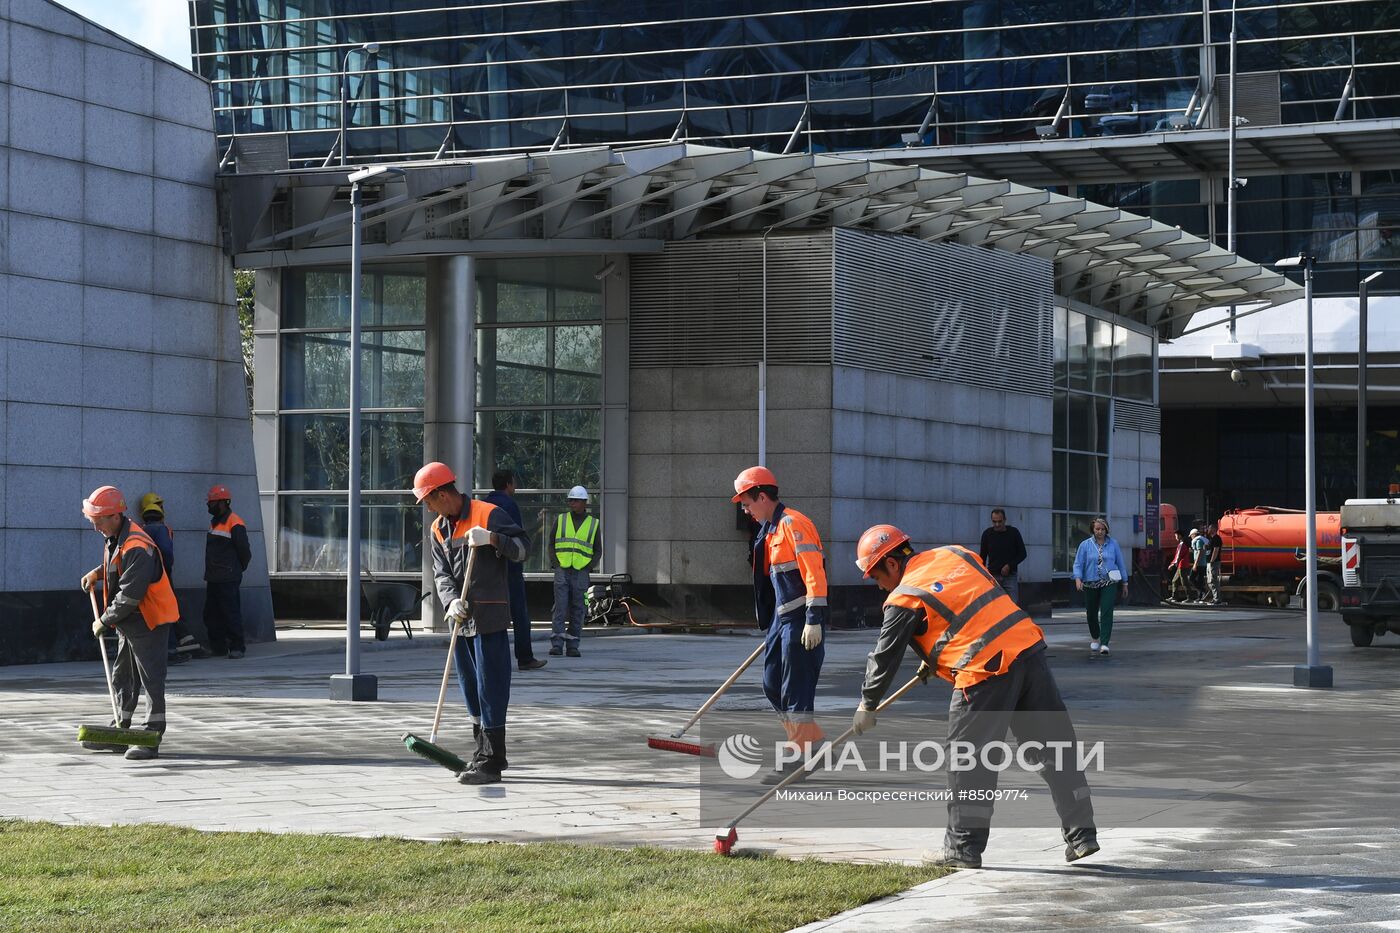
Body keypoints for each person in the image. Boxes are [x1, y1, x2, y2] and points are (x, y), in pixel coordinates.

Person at [851, 524, 1098, 869]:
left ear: (892, 564)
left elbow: (884, 657)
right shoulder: (956, 553)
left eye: (876, 576)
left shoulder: (903, 595)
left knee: (968, 763)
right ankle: (1082, 834)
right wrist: (934, 660)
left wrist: (868, 704)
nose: (878, 585)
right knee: (1055, 748)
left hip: (983, 672)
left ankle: (962, 848)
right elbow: (970, 605)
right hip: (1027, 651)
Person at [416, 460, 529, 785]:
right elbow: (441, 573)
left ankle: (493, 761)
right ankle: (481, 752)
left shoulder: (488, 513)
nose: (427, 507)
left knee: (491, 686)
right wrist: (451, 601)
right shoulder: (438, 528)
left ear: (441, 493)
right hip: (461, 619)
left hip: (489, 617)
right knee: (470, 688)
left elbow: (523, 550)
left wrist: (493, 539)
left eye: (427, 500)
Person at [733, 466, 828, 785]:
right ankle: (814, 744)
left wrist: (814, 620)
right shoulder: (769, 530)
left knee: (795, 690)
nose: (745, 510)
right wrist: (775, 625)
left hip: (802, 620)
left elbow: (814, 573)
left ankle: (797, 758)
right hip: (783, 619)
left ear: (762, 496)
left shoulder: (793, 524)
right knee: (772, 684)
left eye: (747, 503)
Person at [78, 486, 181, 760]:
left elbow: (130, 595)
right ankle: (121, 730)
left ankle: (151, 736)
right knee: (123, 676)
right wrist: (98, 573)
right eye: (93, 520)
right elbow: (119, 566)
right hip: (131, 622)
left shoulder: (138, 544)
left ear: (115, 516)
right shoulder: (117, 536)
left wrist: (103, 620)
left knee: (151, 680)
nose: (95, 526)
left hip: (149, 620)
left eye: (98, 520)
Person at [484, 470, 547, 672]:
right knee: (519, 613)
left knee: (490, 613)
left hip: (489, 567)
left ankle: (490, 659)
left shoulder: (484, 503)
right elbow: (517, 536)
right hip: (510, 567)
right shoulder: (509, 505)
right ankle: (525, 657)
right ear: (509, 484)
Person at [138, 493, 201, 665]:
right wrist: (166, 566)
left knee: (161, 611)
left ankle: (183, 641)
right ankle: (171, 649)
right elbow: (166, 552)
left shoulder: (141, 531)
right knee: (167, 610)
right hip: (163, 576)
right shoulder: (161, 529)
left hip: (146, 577)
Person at [550, 485, 599, 658]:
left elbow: (597, 549)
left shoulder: (593, 524)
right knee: (560, 608)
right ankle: (557, 644)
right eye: (570, 500)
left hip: (581, 572)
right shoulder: (561, 519)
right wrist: (556, 563)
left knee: (579, 608)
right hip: (562, 570)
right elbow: (551, 543)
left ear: (584, 502)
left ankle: (573, 645)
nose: (572, 503)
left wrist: (589, 566)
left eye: (576, 500)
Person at [204, 484, 252, 659]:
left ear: (222, 503)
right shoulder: (216, 522)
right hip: (215, 577)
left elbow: (244, 551)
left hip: (228, 577)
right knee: (211, 614)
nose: (208, 506)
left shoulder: (234, 522)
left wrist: (238, 569)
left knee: (230, 612)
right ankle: (219, 647)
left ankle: (237, 646)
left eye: (211, 502)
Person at [1073, 517, 1128, 656]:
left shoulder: (1113, 544)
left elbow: (1120, 563)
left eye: (1103, 529)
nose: (1100, 532)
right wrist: (1077, 578)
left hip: (1109, 582)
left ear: (1106, 530)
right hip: (1090, 582)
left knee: (1107, 611)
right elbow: (1078, 563)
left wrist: (1125, 582)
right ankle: (1095, 637)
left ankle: (1104, 643)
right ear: (1093, 529)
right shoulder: (1085, 545)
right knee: (1091, 613)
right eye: (1097, 529)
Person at [979, 508, 1027, 603]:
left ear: (1005, 520)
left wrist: (1009, 565)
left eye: (1000, 522)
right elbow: (982, 557)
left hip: (1010, 576)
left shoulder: (1013, 533)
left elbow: (1022, 554)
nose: (997, 525)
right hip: (993, 576)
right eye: (994, 522)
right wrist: (983, 575)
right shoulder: (987, 534)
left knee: (1012, 604)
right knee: (994, 604)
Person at [1165, 529, 1199, 603]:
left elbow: (1178, 556)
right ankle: (1174, 597)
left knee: (1184, 582)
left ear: (1179, 536)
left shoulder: (1182, 544)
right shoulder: (1183, 544)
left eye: (1176, 535)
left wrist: (1172, 564)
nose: (1175, 537)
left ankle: (1189, 598)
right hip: (1181, 565)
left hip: (1182, 565)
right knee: (1175, 581)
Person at [1204, 523, 1224, 605]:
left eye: (1209, 528)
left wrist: (1212, 560)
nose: (1208, 529)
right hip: (1209, 562)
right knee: (1209, 581)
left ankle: (1217, 599)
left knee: (1214, 580)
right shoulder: (1211, 539)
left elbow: (1216, 550)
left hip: (1214, 562)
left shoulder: (1216, 538)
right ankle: (1214, 597)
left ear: (1213, 529)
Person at [1188, 526, 1209, 604]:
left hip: (1199, 564)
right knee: (1200, 580)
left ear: (1194, 535)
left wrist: (1195, 564)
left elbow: (1200, 552)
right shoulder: (1200, 540)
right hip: (1202, 564)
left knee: (1191, 578)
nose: (1191, 537)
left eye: (1191, 536)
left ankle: (1202, 591)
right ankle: (1200, 597)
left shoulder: (1198, 541)